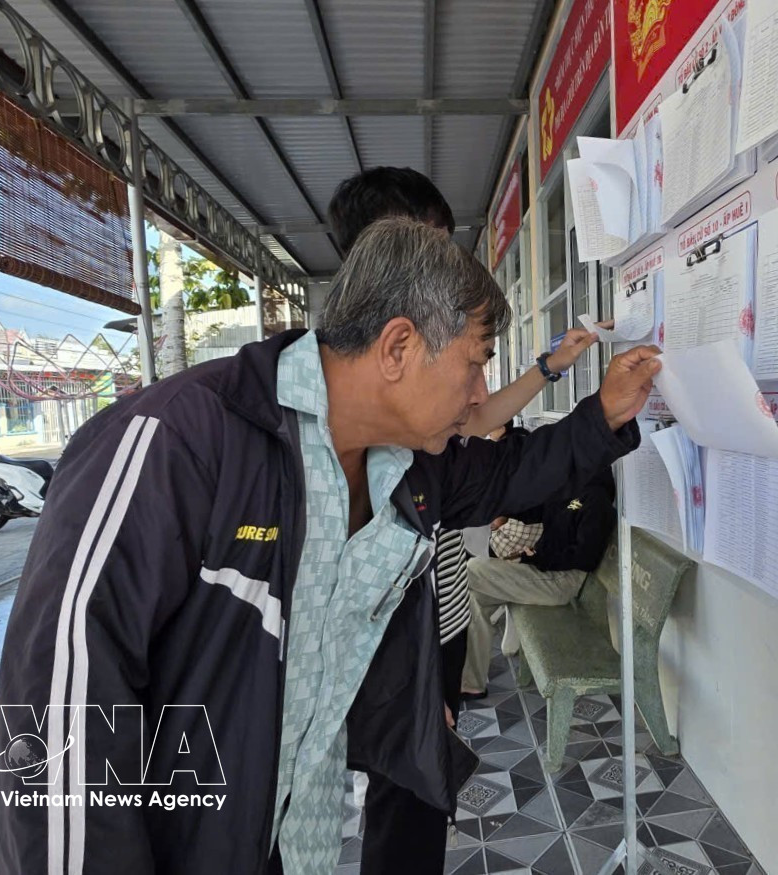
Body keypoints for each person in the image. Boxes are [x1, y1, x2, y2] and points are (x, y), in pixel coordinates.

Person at [0, 217, 660, 874]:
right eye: (475, 363)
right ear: (398, 347)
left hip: (294, 836)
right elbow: (61, 709)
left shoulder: (409, 465)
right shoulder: (177, 443)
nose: (480, 395)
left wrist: (603, 413)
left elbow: (512, 471)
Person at [325, 168, 601, 871]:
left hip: (436, 628)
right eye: (435, 246)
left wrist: (550, 368)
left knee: (415, 800)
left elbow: (480, 426)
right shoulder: (345, 418)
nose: (454, 266)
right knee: (401, 807)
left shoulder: (421, 411)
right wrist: (401, 695)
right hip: (397, 652)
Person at [461, 466, 617, 697]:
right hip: (542, 571)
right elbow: (538, 511)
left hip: (561, 582)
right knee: (476, 599)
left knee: (472, 569)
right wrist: (505, 513)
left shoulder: (595, 501)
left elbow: (586, 558)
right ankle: (471, 685)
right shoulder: (569, 491)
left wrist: (540, 557)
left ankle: (434, 638)